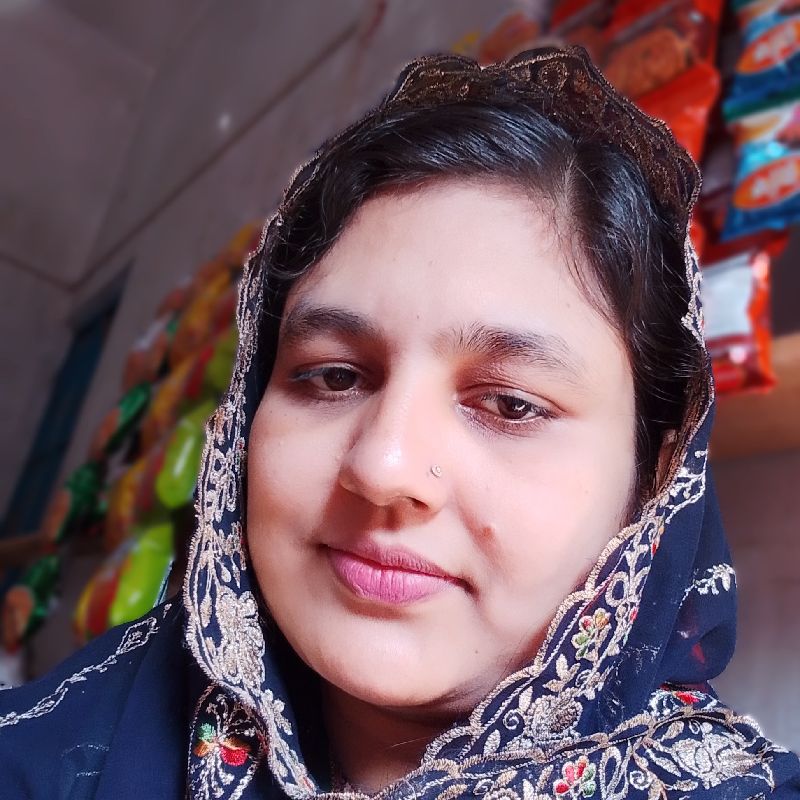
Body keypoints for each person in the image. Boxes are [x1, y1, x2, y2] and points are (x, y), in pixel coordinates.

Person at [1, 46, 798, 800]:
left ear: (655, 477)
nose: (383, 466)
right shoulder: (48, 757)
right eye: (333, 376)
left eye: (510, 404)